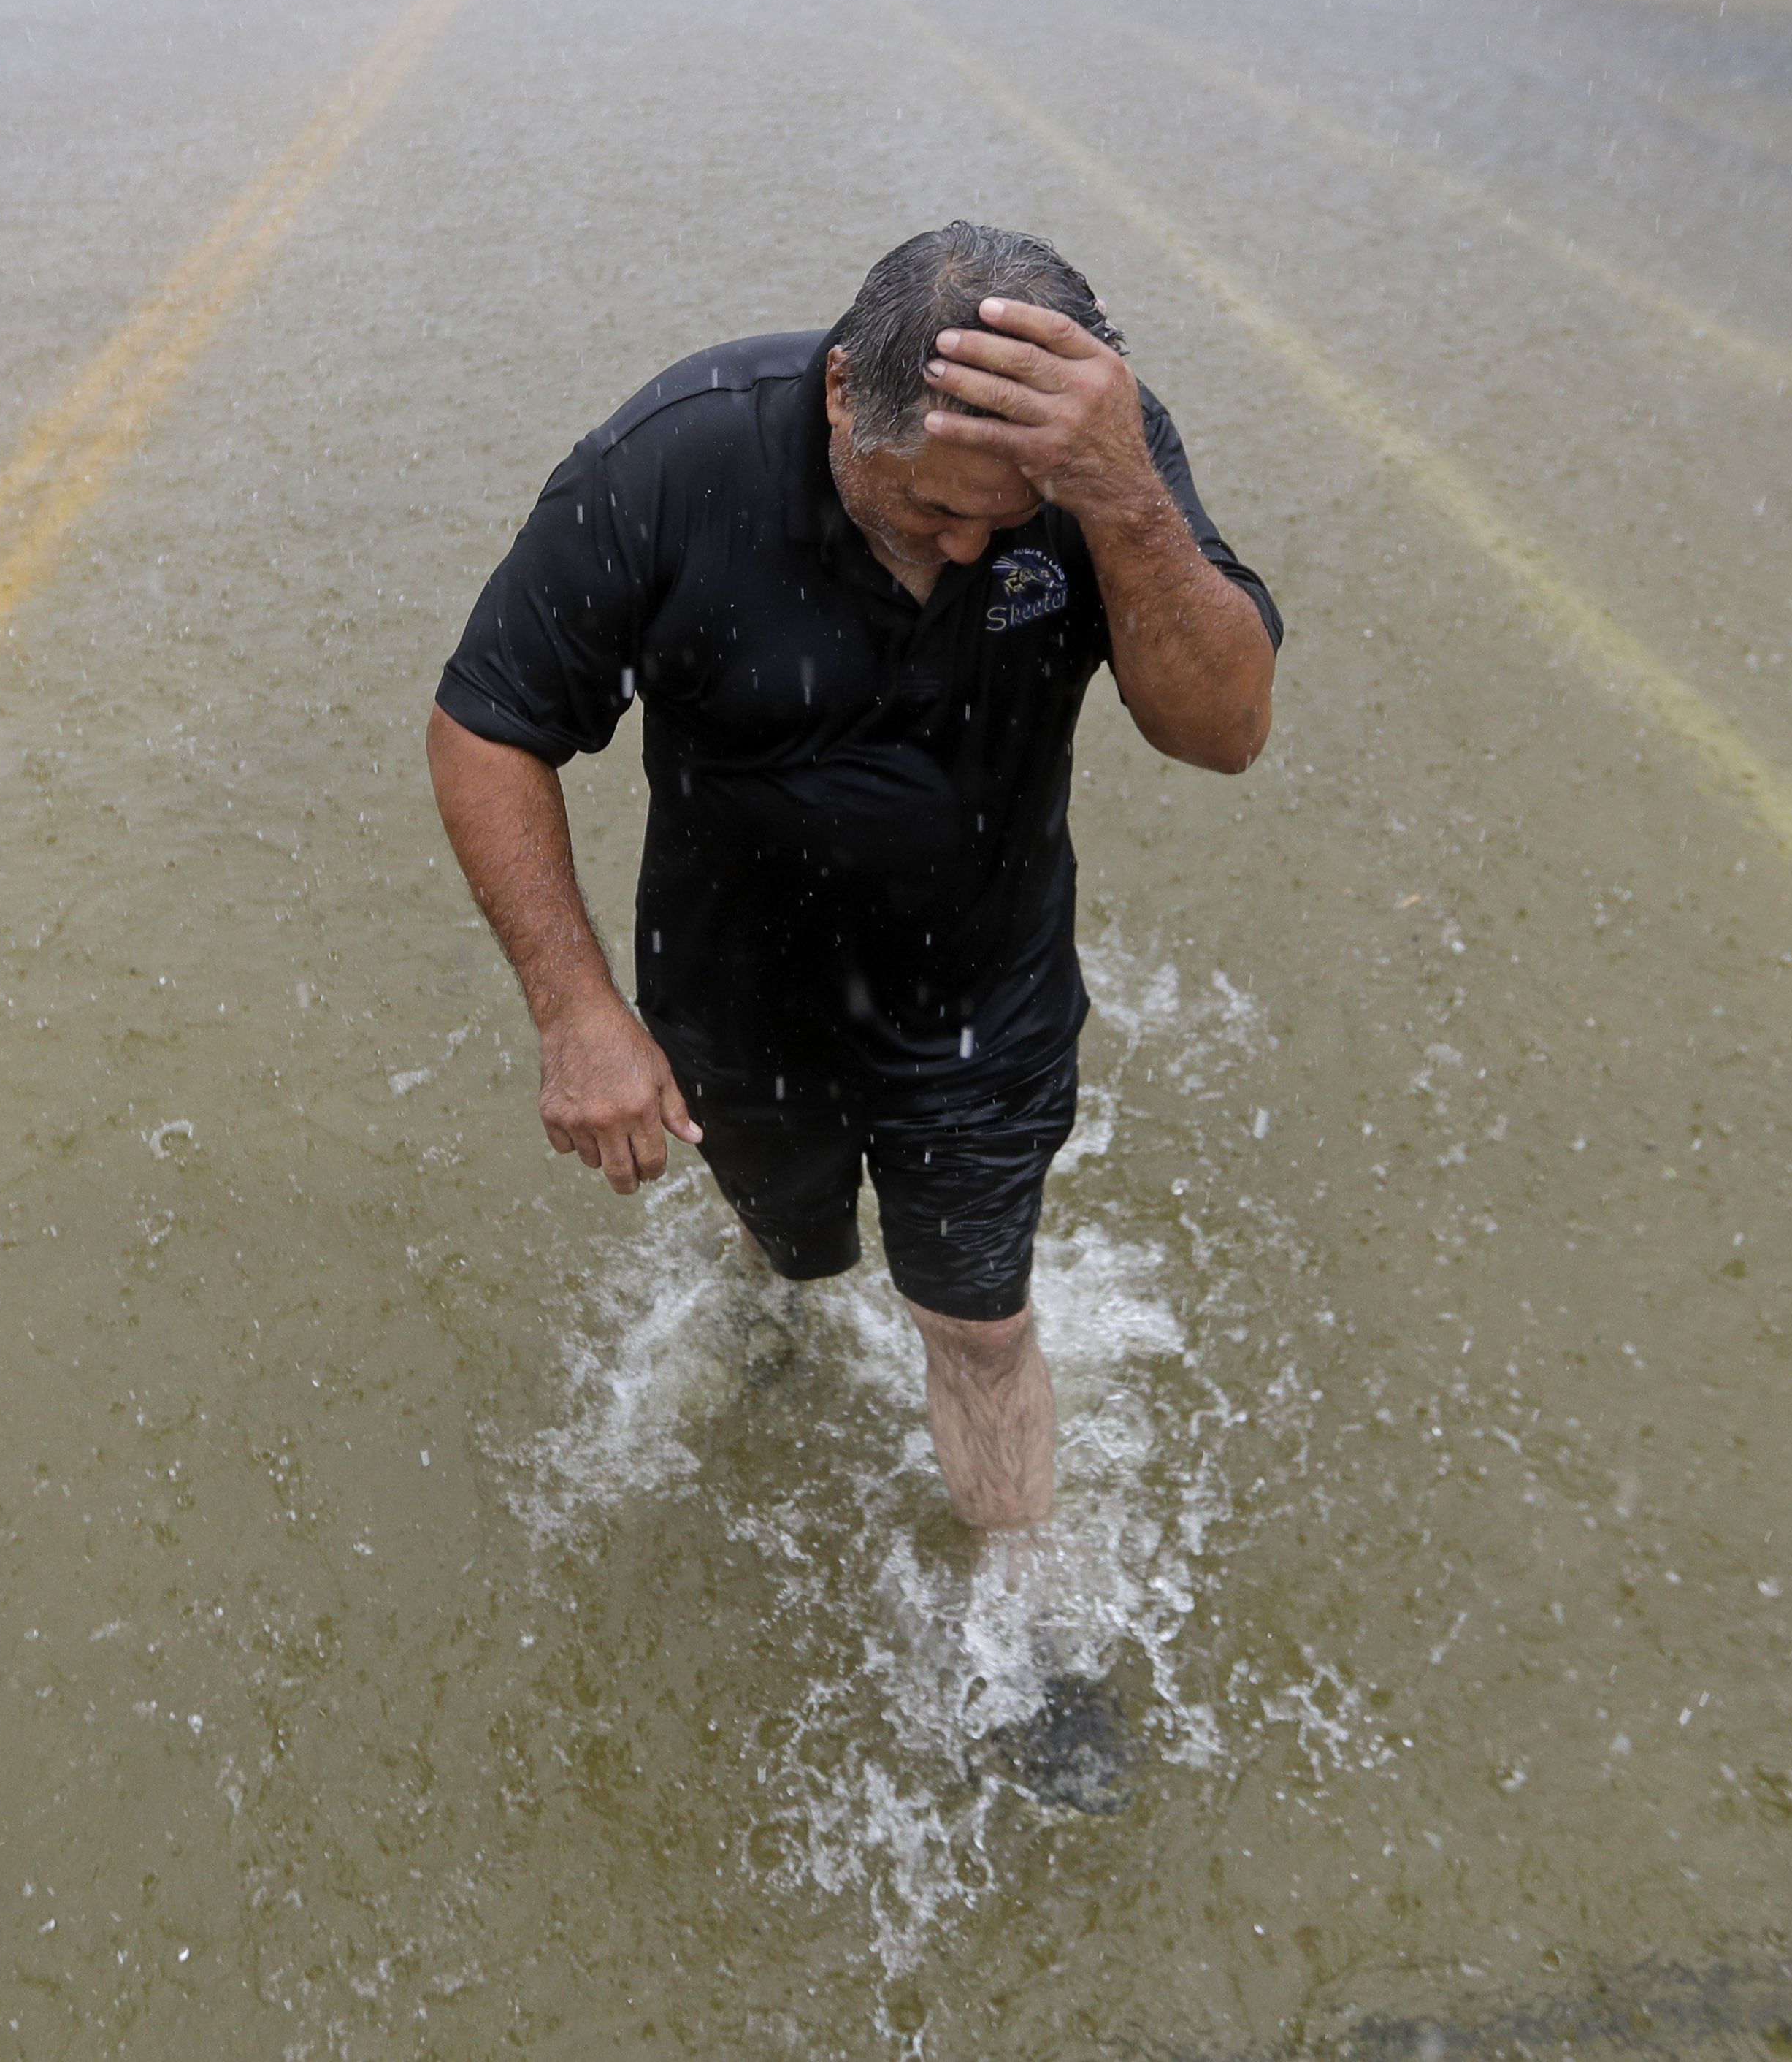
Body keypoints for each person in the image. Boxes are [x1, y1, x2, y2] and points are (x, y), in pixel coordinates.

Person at [425, 221, 1280, 1562]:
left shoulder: (1097, 456)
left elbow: (1223, 728)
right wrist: (577, 1009)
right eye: (926, 504)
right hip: (733, 997)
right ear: (839, 391)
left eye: (997, 522)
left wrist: (1118, 503)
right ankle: (777, 1287)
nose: (957, 547)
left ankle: (1026, 1614)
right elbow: (487, 726)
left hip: (980, 998)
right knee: (790, 1248)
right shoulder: (676, 460)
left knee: (981, 1329)